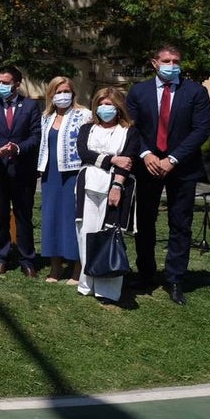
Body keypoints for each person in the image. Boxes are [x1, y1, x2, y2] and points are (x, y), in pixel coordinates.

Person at [126, 44, 210, 305]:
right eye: (166, 60)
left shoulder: (195, 92)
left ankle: (174, 278)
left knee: (180, 224)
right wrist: (146, 155)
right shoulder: (138, 91)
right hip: (147, 166)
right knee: (145, 222)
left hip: (182, 167)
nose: (172, 65)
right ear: (154, 62)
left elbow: (200, 130)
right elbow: (132, 128)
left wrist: (172, 159)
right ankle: (146, 273)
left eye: (176, 61)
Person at [76, 87, 141, 306]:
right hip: (88, 186)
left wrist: (117, 185)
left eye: (110, 104)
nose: (105, 109)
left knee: (109, 234)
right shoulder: (87, 129)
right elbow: (84, 153)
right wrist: (112, 160)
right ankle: (87, 284)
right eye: (101, 104)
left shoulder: (129, 131)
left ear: (119, 107)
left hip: (112, 186)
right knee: (86, 232)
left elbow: (128, 160)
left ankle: (108, 289)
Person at [0, 65, 42, 277]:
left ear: (16, 83)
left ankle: (27, 259)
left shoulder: (31, 106)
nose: (1, 86)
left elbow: (35, 136)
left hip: (22, 171)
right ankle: (1, 257)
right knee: (0, 217)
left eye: (5, 82)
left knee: (24, 216)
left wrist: (18, 148)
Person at [36, 76, 90, 284]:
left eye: (66, 91)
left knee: (72, 220)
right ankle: (55, 268)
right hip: (51, 175)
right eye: (58, 92)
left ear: (73, 93)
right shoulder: (45, 117)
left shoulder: (83, 115)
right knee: (51, 219)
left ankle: (77, 269)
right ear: (51, 95)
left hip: (73, 174)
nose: (62, 95)